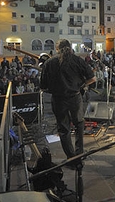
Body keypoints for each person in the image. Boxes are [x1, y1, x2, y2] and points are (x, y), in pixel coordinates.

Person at [40, 39, 96, 168]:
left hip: (58, 100)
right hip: (75, 98)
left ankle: (71, 158)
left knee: (63, 129)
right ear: (70, 48)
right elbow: (92, 78)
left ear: (57, 48)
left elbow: (43, 87)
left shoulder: (49, 63)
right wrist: (81, 85)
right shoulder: (77, 60)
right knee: (79, 124)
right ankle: (79, 154)